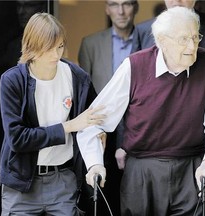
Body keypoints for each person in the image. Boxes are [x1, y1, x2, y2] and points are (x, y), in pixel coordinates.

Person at [77, 6, 205, 215]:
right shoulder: (134, 65)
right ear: (161, 41)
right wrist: (95, 164)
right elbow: (93, 121)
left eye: (196, 37)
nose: (192, 45)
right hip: (142, 172)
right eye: (183, 39)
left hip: (192, 169)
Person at [131, 1, 205, 215]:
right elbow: (133, 93)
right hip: (155, 144)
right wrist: (122, 143)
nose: (178, 0)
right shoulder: (143, 30)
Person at [0, 12, 107, 216]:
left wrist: (98, 140)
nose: (56, 55)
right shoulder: (12, 81)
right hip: (22, 184)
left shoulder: (77, 77)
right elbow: (17, 138)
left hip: (63, 179)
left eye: (59, 47)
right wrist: (69, 126)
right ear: (32, 47)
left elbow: (92, 122)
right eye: (48, 48)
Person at [77, 1, 138, 215]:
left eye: (126, 4)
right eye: (114, 4)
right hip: (103, 128)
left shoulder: (147, 39)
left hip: (137, 127)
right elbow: (85, 93)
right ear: (106, 9)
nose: (120, 11)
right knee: (105, 188)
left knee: (135, 190)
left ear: (136, 7)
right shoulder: (91, 43)